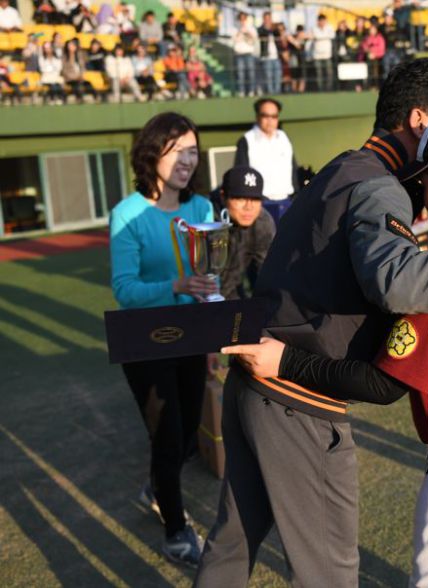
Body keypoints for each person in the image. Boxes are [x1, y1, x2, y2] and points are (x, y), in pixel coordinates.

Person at [194, 57, 428, 588]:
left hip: (256, 380)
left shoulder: (345, 167)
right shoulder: (378, 185)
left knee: (231, 546)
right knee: (331, 574)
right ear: (421, 124)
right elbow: (401, 281)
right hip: (295, 396)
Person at [109, 112, 216, 568]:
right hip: (147, 345)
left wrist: (214, 334)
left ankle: (157, 486)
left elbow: (209, 279)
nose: (188, 160)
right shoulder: (127, 214)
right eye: (178, 151)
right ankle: (176, 531)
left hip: (192, 337)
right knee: (168, 438)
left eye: (193, 151)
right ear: (153, 152)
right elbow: (125, 289)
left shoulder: (202, 210)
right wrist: (174, 286)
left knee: (189, 433)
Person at [212, 165, 276, 300]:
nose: (249, 207)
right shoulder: (206, 219)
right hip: (194, 297)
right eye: (240, 198)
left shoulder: (262, 222)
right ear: (223, 197)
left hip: (232, 290)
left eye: (255, 199)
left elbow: (266, 276)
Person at [234, 98, 297, 221]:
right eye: (265, 116)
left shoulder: (284, 138)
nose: (270, 120)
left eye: (274, 116)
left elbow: (293, 168)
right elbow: (241, 174)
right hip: (262, 204)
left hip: (287, 202)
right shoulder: (247, 140)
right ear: (257, 116)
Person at [232, 11, 258, 98]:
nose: (242, 21)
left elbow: (254, 40)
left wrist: (247, 32)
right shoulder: (235, 28)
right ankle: (241, 92)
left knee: (251, 74)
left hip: (249, 54)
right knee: (240, 74)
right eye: (241, 19)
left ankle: (251, 91)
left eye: (244, 18)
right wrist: (240, 31)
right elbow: (234, 40)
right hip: (239, 54)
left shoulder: (251, 28)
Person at [257, 11, 281, 95]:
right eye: (266, 19)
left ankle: (277, 92)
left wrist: (274, 28)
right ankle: (270, 93)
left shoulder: (274, 29)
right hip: (266, 57)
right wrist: (268, 28)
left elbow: (279, 37)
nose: (268, 20)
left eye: (269, 19)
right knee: (268, 76)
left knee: (277, 76)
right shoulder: (261, 29)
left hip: (276, 57)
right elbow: (262, 34)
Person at [311, 13, 335, 92]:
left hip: (327, 55)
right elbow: (315, 36)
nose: (322, 22)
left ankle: (329, 89)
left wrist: (319, 37)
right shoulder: (314, 28)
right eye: (320, 21)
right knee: (319, 74)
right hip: (317, 55)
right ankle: (320, 89)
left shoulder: (329, 27)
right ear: (318, 21)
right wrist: (323, 36)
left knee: (329, 73)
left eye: (323, 21)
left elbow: (332, 36)